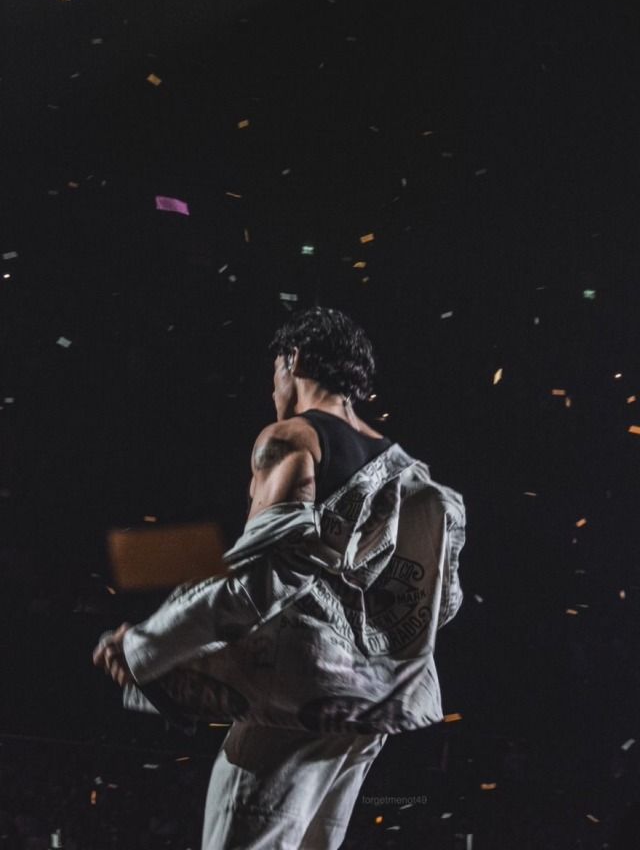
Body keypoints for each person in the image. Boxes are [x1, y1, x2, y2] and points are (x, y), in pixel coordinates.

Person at [93, 306, 466, 850]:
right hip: (367, 713)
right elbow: (443, 604)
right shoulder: (416, 479)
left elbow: (258, 585)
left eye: (275, 371)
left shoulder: (293, 438)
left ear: (293, 360)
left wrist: (146, 649)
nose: (273, 388)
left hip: (292, 708)